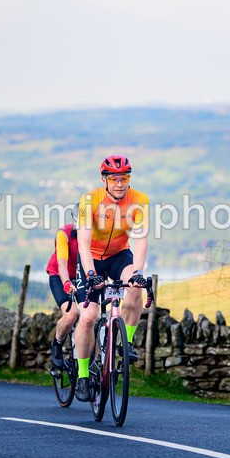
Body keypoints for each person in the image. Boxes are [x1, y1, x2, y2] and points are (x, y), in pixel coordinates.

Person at [73, 154, 149, 401]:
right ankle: (83, 375)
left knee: (136, 287)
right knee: (88, 317)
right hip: (91, 259)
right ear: (104, 179)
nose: (119, 184)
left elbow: (141, 241)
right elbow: (83, 243)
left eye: (124, 178)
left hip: (119, 256)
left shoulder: (140, 201)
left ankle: (126, 342)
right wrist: (91, 274)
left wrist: (137, 272)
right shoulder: (90, 200)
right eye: (114, 178)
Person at [46, 221, 80, 368]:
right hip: (60, 276)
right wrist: (66, 282)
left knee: (91, 316)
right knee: (71, 314)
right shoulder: (64, 233)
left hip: (81, 277)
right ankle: (57, 344)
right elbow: (62, 264)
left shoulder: (96, 234)